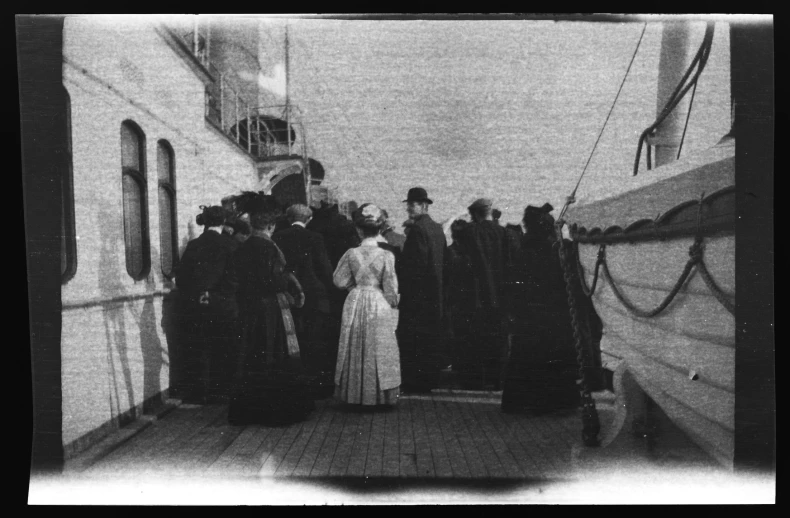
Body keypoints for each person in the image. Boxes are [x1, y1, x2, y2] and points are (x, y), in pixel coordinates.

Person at [501, 203, 602, 413]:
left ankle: (526, 403)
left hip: (530, 318)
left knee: (528, 360)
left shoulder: (524, 250)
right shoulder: (558, 250)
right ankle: (559, 402)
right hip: (556, 317)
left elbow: (515, 285)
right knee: (556, 362)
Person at [228, 194, 314, 426]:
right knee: (273, 354)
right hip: (270, 310)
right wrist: (288, 285)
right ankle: (274, 411)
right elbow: (272, 280)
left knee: (251, 355)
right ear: (270, 225)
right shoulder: (268, 247)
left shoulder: (241, 247)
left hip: (249, 308)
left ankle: (249, 410)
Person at [333, 204, 401, 406]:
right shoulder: (387, 255)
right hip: (377, 301)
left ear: (359, 229)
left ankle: (355, 394)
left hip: (356, 299)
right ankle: (378, 396)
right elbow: (390, 285)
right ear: (379, 229)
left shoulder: (351, 253)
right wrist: (393, 303)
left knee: (354, 343)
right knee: (378, 345)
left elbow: (338, 280)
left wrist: (354, 286)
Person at [174, 205, 239, 403]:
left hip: (196, 303)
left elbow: (182, 278)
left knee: (198, 346)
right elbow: (235, 278)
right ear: (224, 222)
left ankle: (199, 392)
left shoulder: (193, 245)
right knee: (224, 347)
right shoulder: (231, 245)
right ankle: (220, 392)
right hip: (224, 304)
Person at [273, 204, 336, 391]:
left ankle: (293, 381)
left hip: (288, 293)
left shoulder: (278, 236)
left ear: (288, 218)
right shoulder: (315, 237)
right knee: (313, 337)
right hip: (313, 294)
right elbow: (324, 267)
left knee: (291, 337)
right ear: (308, 219)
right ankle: (313, 382)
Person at [456, 198, 514, 390]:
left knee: (475, 339)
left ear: (475, 214)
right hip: (499, 295)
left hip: (475, 296)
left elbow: (461, 261)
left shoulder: (469, 232)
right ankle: (498, 379)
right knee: (498, 338)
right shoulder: (504, 233)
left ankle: (475, 379)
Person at [398, 187, 447, 392]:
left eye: (413, 204)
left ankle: (415, 382)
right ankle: (430, 379)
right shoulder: (436, 228)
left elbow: (414, 265)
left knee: (415, 338)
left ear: (424, 206)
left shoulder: (418, 230)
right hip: (436, 293)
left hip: (418, 294)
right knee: (431, 337)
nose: (409, 208)